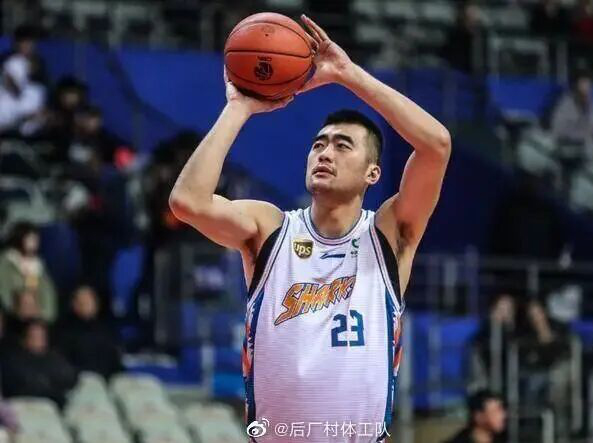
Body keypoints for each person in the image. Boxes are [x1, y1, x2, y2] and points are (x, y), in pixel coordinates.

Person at [169, 14, 451, 441]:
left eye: (342, 145)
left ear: (373, 173)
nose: (325, 153)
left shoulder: (389, 234)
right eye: (318, 144)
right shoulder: (270, 227)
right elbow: (187, 203)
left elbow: (436, 146)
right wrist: (239, 107)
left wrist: (348, 75)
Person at [1, 320, 77, 407]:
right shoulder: (14, 360)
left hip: (53, 403)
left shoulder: (55, 357)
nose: (38, 340)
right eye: (33, 336)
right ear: (24, 339)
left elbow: (70, 378)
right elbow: (24, 386)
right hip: (25, 404)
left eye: (41, 336)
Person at [56, 285, 122, 378]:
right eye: (83, 302)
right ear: (74, 305)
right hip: (81, 378)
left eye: (89, 301)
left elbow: (115, 358)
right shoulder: (66, 331)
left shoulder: (105, 330)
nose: (87, 305)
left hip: (108, 377)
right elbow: (64, 363)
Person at [0, 222, 57, 323]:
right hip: (11, 319)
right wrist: (14, 311)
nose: (35, 243)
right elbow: (4, 290)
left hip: (36, 318)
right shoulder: (5, 261)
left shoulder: (36, 264)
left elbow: (46, 291)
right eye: (30, 239)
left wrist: (44, 314)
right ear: (19, 238)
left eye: (36, 239)